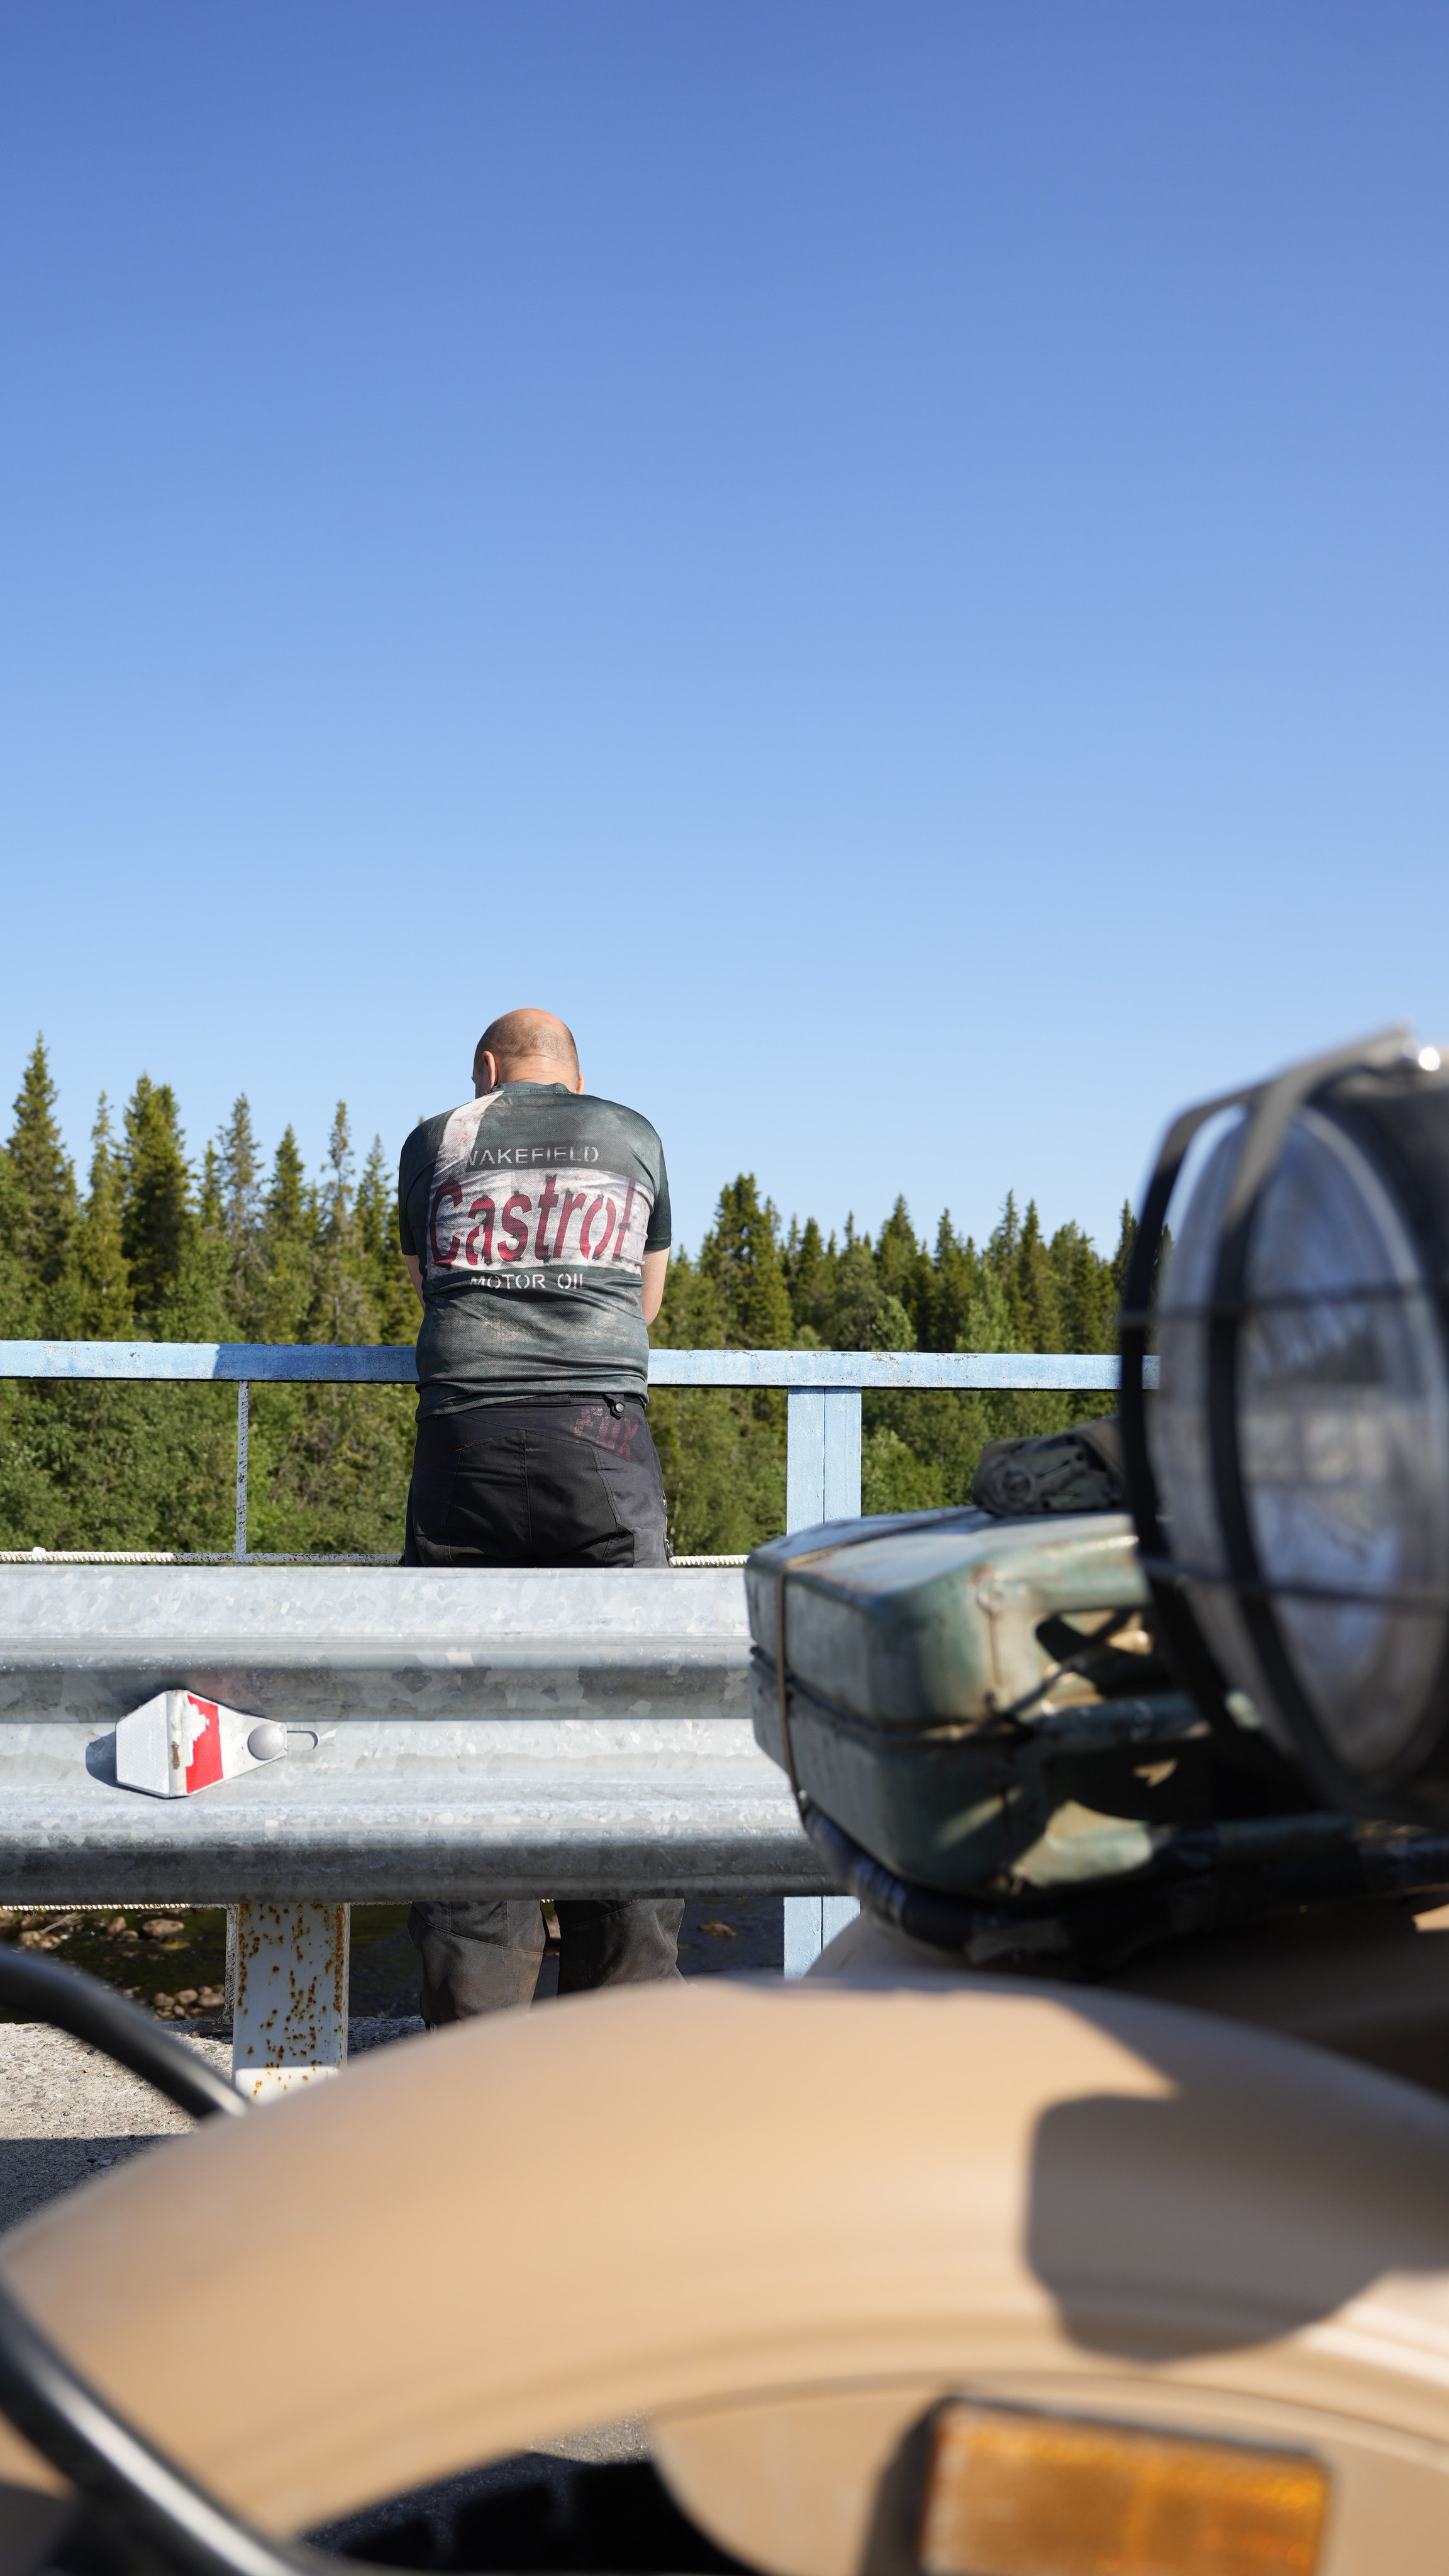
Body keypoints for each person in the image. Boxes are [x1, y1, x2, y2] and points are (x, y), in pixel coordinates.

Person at [397, 1006, 682, 2023]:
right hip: (599, 1446)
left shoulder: (442, 1137)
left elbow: (435, 1281)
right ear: (572, 1073)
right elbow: (641, 1307)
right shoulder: (633, 1133)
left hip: (464, 1444)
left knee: (466, 1727)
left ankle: (476, 2045)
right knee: (629, 1719)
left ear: (487, 1069)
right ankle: (621, 2032)